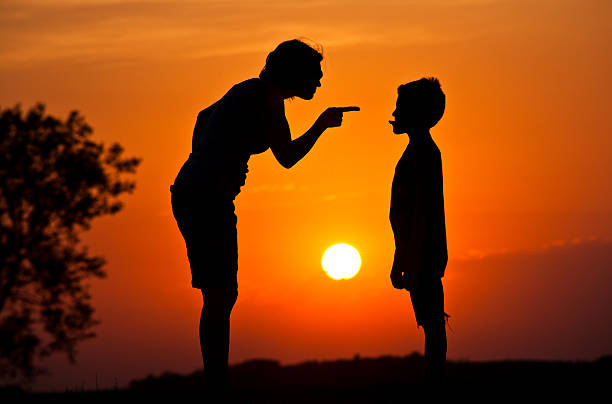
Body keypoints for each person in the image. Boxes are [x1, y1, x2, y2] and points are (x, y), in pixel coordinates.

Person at [170, 39, 359, 390]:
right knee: (221, 294)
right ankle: (217, 386)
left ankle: (216, 382)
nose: (319, 82)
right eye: (315, 75)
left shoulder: (250, 90)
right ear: (296, 74)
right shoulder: (268, 98)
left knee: (219, 294)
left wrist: (212, 159)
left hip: (194, 192)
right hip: (207, 198)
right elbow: (286, 157)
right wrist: (321, 125)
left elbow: (202, 118)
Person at [388, 77, 449, 383]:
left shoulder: (425, 152)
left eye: (401, 107)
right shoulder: (417, 151)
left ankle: (434, 384)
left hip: (423, 253)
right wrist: (401, 257)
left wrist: (409, 259)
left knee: (433, 322)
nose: (395, 113)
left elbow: (423, 211)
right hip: (416, 251)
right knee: (430, 321)